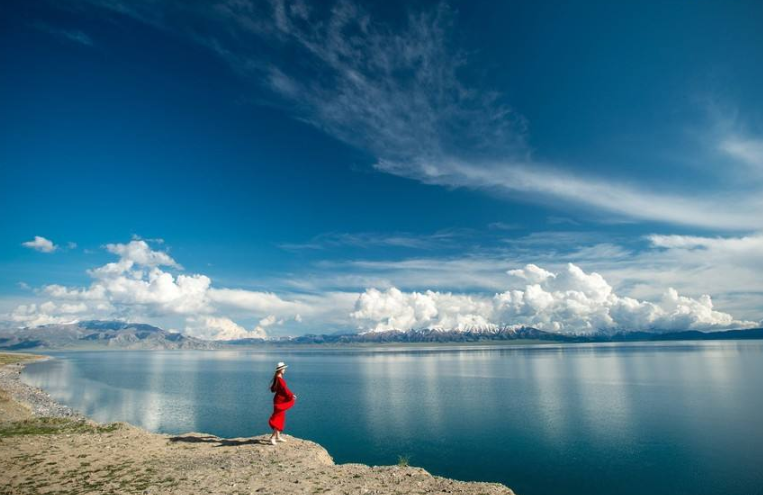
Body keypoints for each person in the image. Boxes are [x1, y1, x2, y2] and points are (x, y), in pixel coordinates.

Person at [268, 361, 296, 445]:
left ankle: (278, 436)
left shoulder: (277, 377)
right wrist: (292, 396)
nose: (285, 370)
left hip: (279, 400)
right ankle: (272, 437)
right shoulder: (279, 379)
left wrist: (281, 391)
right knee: (278, 419)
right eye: (284, 369)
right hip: (279, 401)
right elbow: (285, 390)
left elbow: (273, 389)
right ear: (280, 370)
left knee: (281, 418)